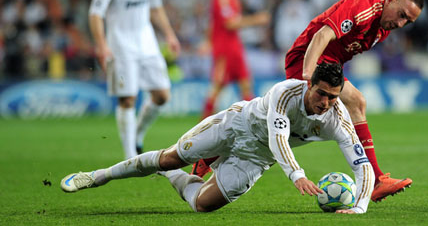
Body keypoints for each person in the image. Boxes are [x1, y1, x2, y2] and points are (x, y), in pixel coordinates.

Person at [61, 63, 374, 214]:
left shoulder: (337, 120)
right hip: (235, 125)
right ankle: (97, 176)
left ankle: (173, 177)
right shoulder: (285, 92)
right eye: (322, 93)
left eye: (333, 97)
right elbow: (280, 137)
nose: (326, 102)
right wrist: (297, 174)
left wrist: (360, 207)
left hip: (257, 158)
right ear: (309, 85)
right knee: (171, 155)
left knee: (201, 205)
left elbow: (362, 165)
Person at [285, 0, 424, 202]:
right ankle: (376, 180)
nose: (400, 24)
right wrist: (307, 75)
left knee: (277, 126)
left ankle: (214, 154)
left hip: (328, 65)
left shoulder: (382, 29)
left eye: (407, 21)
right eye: (401, 15)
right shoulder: (363, 9)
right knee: (356, 102)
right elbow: (322, 36)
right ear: (391, 1)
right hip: (307, 58)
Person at [88, 0, 180, 159]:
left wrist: (169, 35)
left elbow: (156, 8)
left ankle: (137, 135)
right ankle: (130, 156)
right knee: (127, 98)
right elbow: (95, 13)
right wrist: (101, 45)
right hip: (120, 45)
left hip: (147, 42)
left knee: (162, 96)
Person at [193, 0, 270, 176]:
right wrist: (256, 20)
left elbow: (215, 23)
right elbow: (229, 24)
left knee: (247, 88)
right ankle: (199, 134)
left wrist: (207, 40)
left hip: (234, 48)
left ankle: (255, 131)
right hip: (225, 50)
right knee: (216, 88)